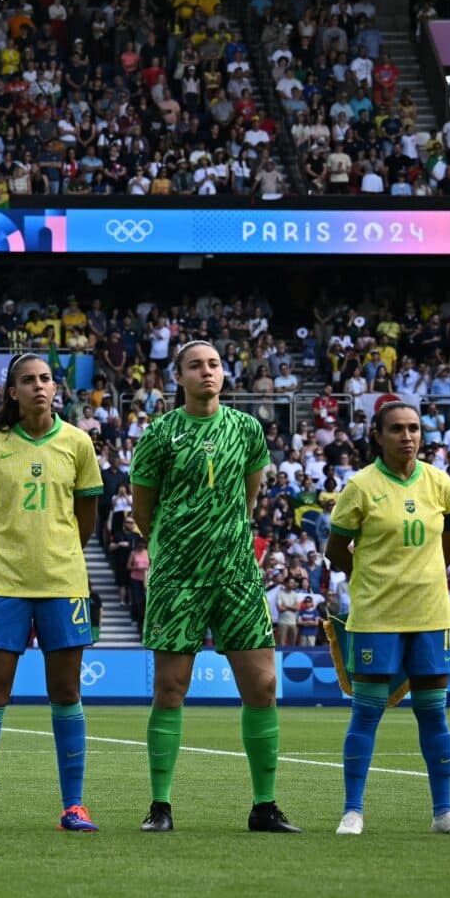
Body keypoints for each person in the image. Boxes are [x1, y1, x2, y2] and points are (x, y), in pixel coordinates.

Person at [131, 341, 298, 833]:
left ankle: (263, 806)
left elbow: (250, 494)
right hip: (177, 575)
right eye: (195, 366)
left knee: (263, 686)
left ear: (223, 374)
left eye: (214, 365)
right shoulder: (160, 433)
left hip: (236, 572)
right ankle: (160, 805)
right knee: (170, 688)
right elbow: (144, 508)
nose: (207, 372)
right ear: (178, 377)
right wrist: (171, 545)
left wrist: (228, 537)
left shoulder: (246, 430)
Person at [0, 356, 104, 832]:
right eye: (27, 381)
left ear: (55, 387)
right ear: (12, 392)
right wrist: (15, 552)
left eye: (44, 379)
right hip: (5, 584)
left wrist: (56, 554)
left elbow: (86, 518)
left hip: (63, 584)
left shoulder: (78, 443)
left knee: (66, 691)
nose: (38, 386)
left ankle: (73, 807)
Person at [325, 398, 450, 836]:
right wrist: (368, 577)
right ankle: (352, 811)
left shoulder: (440, 483)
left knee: (434, 713)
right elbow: (336, 551)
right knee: (367, 712)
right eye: (397, 429)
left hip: (431, 614)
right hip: (377, 616)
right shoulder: (360, 486)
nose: (407, 436)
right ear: (378, 436)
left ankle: (443, 813)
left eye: (413, 428)